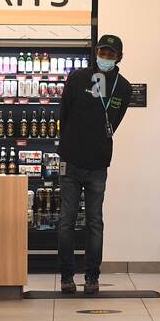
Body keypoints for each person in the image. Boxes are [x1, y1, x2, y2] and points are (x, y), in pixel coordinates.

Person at [57, 34, 131, 294]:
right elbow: (63, 113)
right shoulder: (77, 78)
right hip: (70, 160)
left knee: (94, 222)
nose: (106, 58)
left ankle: (92, 277)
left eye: (111, 54)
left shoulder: (123, 87)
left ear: (119, 57)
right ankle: (67, 276)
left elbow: (114, 123)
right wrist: (69, 143)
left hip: (98, 163)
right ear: (96, 52)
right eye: (103, 52)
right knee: (66, 221)